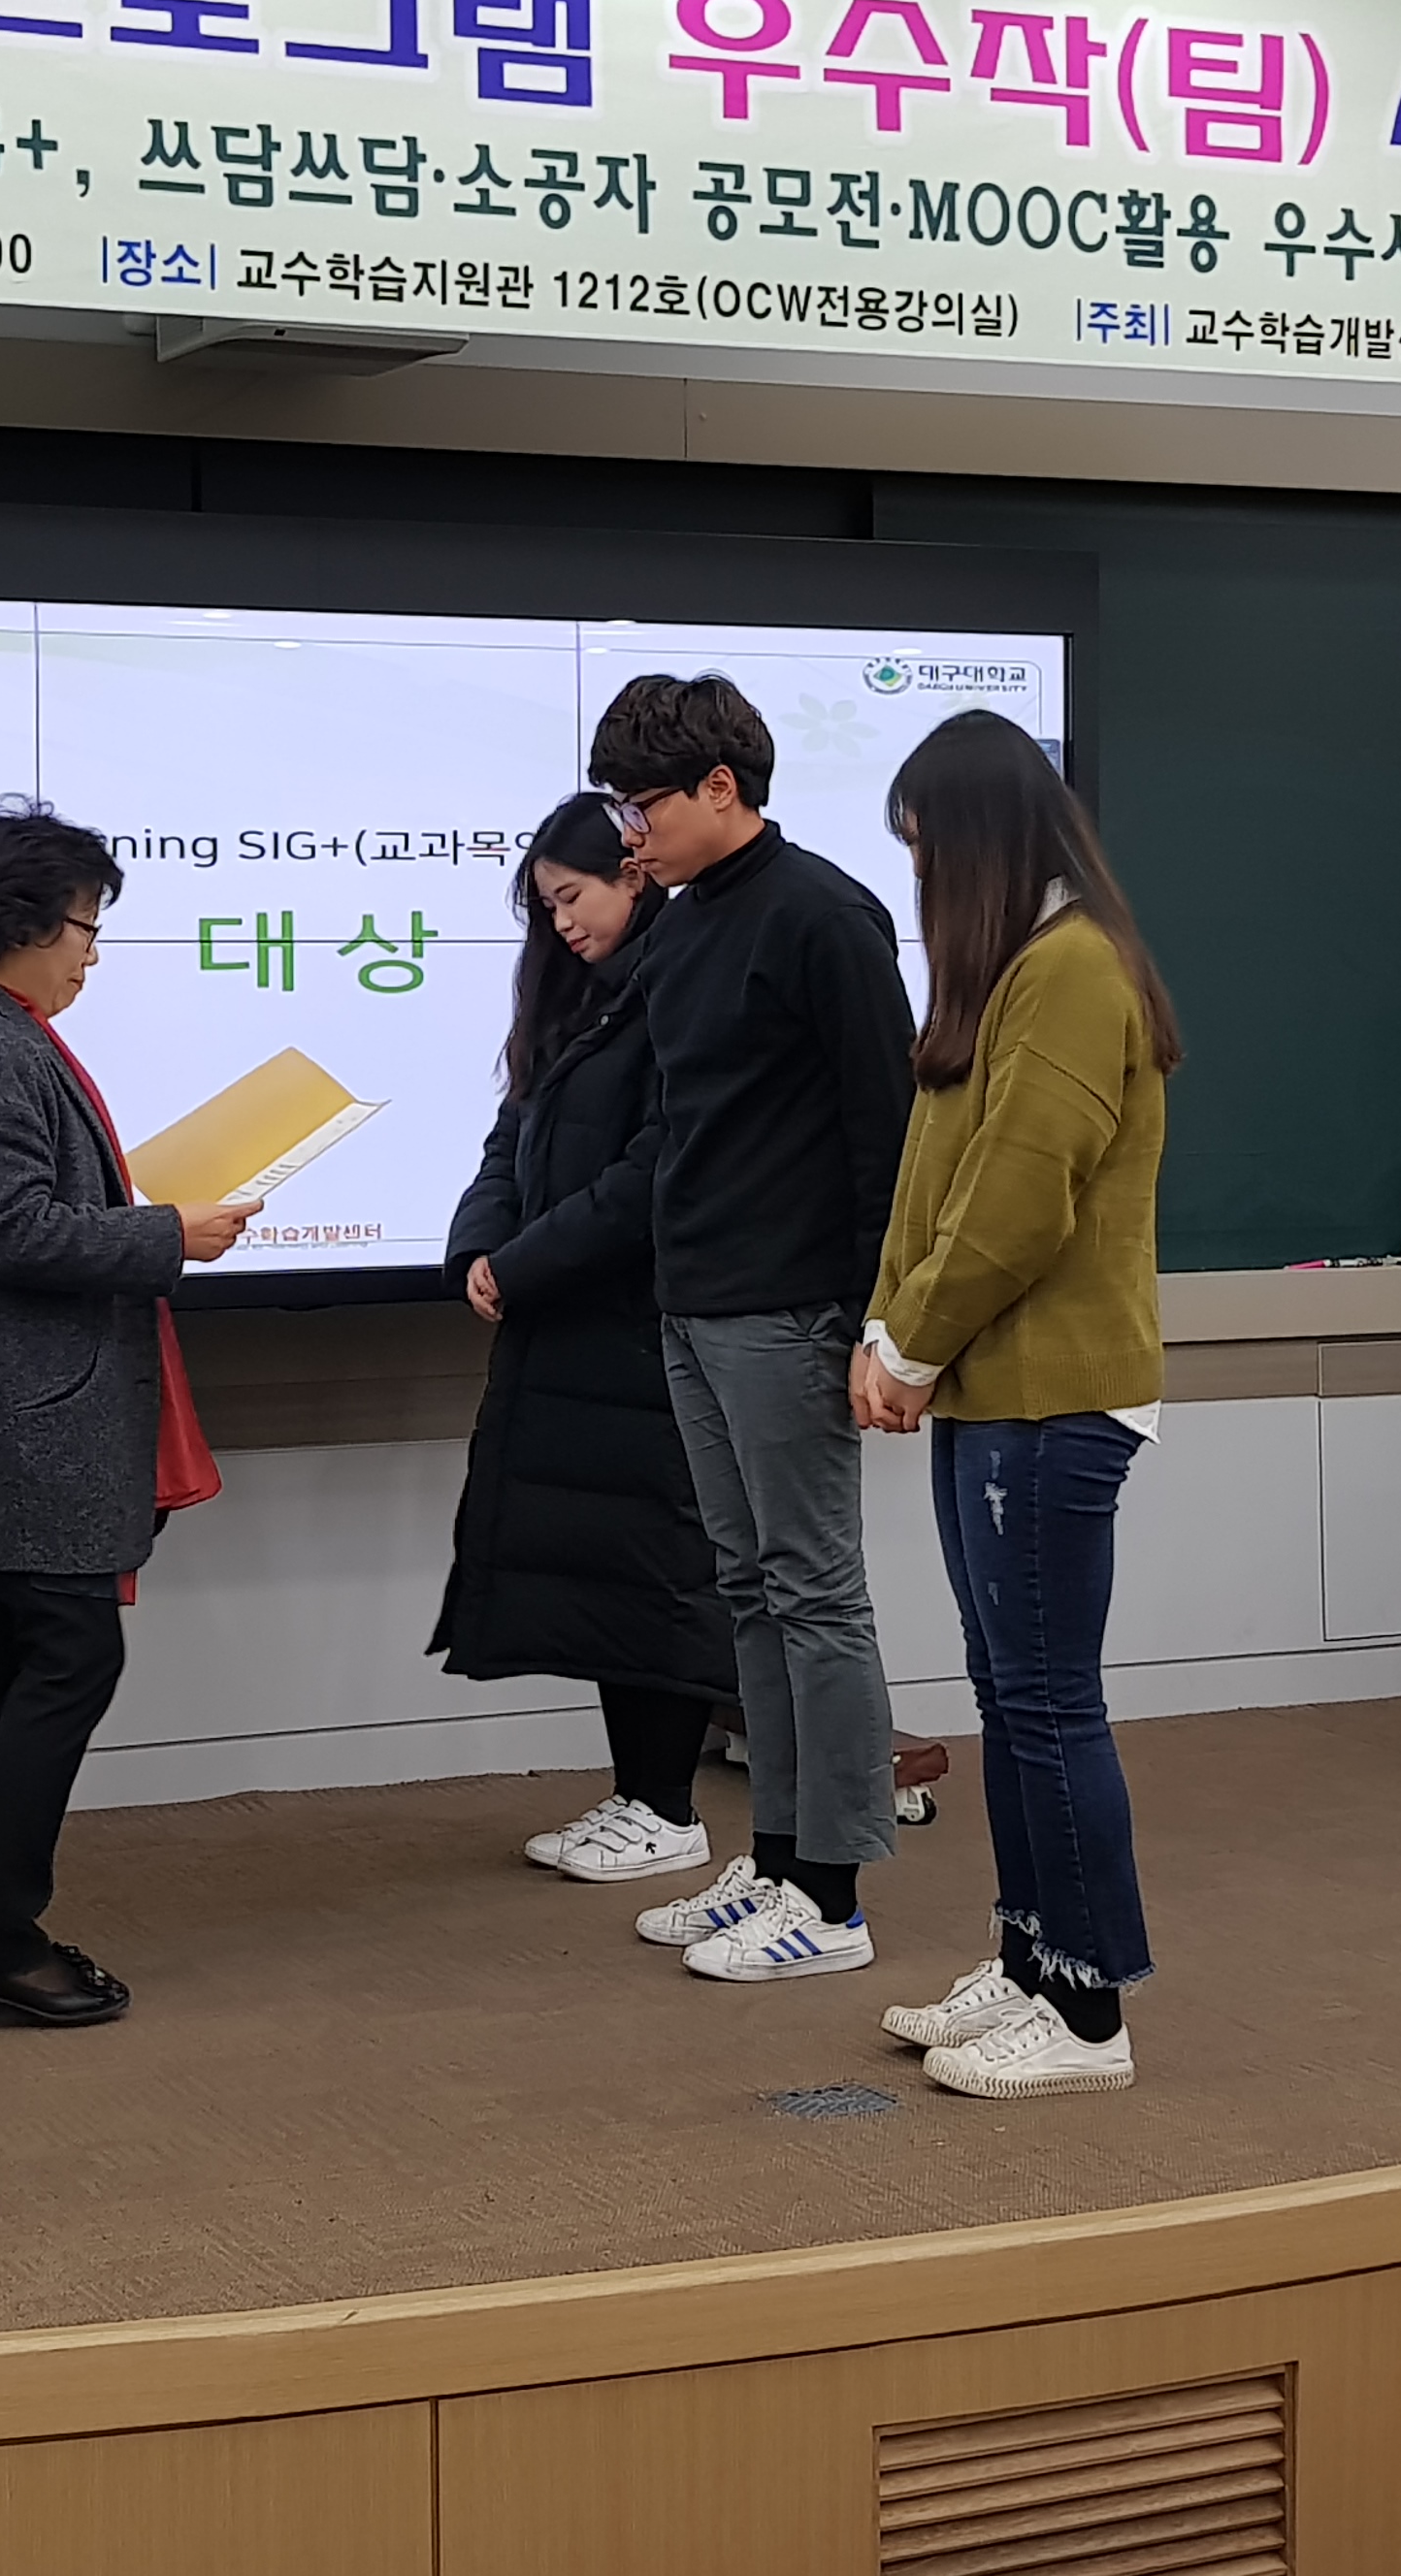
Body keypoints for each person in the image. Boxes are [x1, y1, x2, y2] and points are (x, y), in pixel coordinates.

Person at [849, 712, 1183, 2100]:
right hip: (993, 1392)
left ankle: (1089, 2011)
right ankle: (1033, 1955)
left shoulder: (1070, 970)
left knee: (1047, 1702)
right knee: (1011, 1693)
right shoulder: (1010, 976)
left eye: (924, 849)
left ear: (979, 845)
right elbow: (935, 1183)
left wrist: (913, 1345)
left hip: (1052, 1399)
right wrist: (889, 1330)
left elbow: (1017, 1202)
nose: (920, 878)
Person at [0, 800, 258, 2032]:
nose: (92, 955)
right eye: (86, 929)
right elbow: (10, 1231)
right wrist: (167, 1234)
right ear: (24, 924)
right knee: (64, 1657)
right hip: (26, 1425)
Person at [586, 672, 918, 1986]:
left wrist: (880, 1322)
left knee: (815, 1590)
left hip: (792, 1308)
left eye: (645, 806)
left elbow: (887, 1129)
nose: (630, 833)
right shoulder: (683, 921)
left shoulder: (825, 915)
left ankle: (832, 1895)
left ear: (721, 787)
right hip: (695, 1300)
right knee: (748, 1589)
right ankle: (777, 1857)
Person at [439, 794, 736, 1886]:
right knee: (604, 1571)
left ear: (634, 876)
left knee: (659, 1568)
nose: (561, 924)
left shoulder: (680, 990)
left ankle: (668, 1806)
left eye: (574, 898)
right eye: (546, 907)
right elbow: (509, 1140)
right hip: (566, 1334)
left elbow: (651, 1175)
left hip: (647, 1332)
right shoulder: (576, 1003)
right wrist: (479, 1248)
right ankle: (637, 1795)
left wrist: (522, 1265)